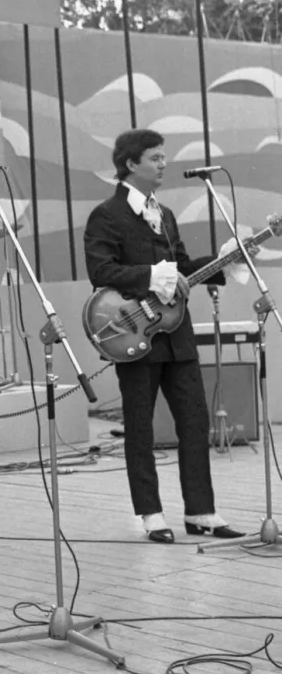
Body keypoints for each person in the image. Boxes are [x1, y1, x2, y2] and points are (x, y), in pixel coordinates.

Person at [84, 129, 252, 543]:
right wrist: (150, 276)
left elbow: (181, 270)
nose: (163, 164)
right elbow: (101, 272)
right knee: (140, 429)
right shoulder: (106, 215)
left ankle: (201, 512)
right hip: (134, 336)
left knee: (195, 424)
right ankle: (151, 514)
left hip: (177, 336)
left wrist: (225, 261)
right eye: (155, 158)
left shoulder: (166, 214)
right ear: (131, 164)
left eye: (163, 157)